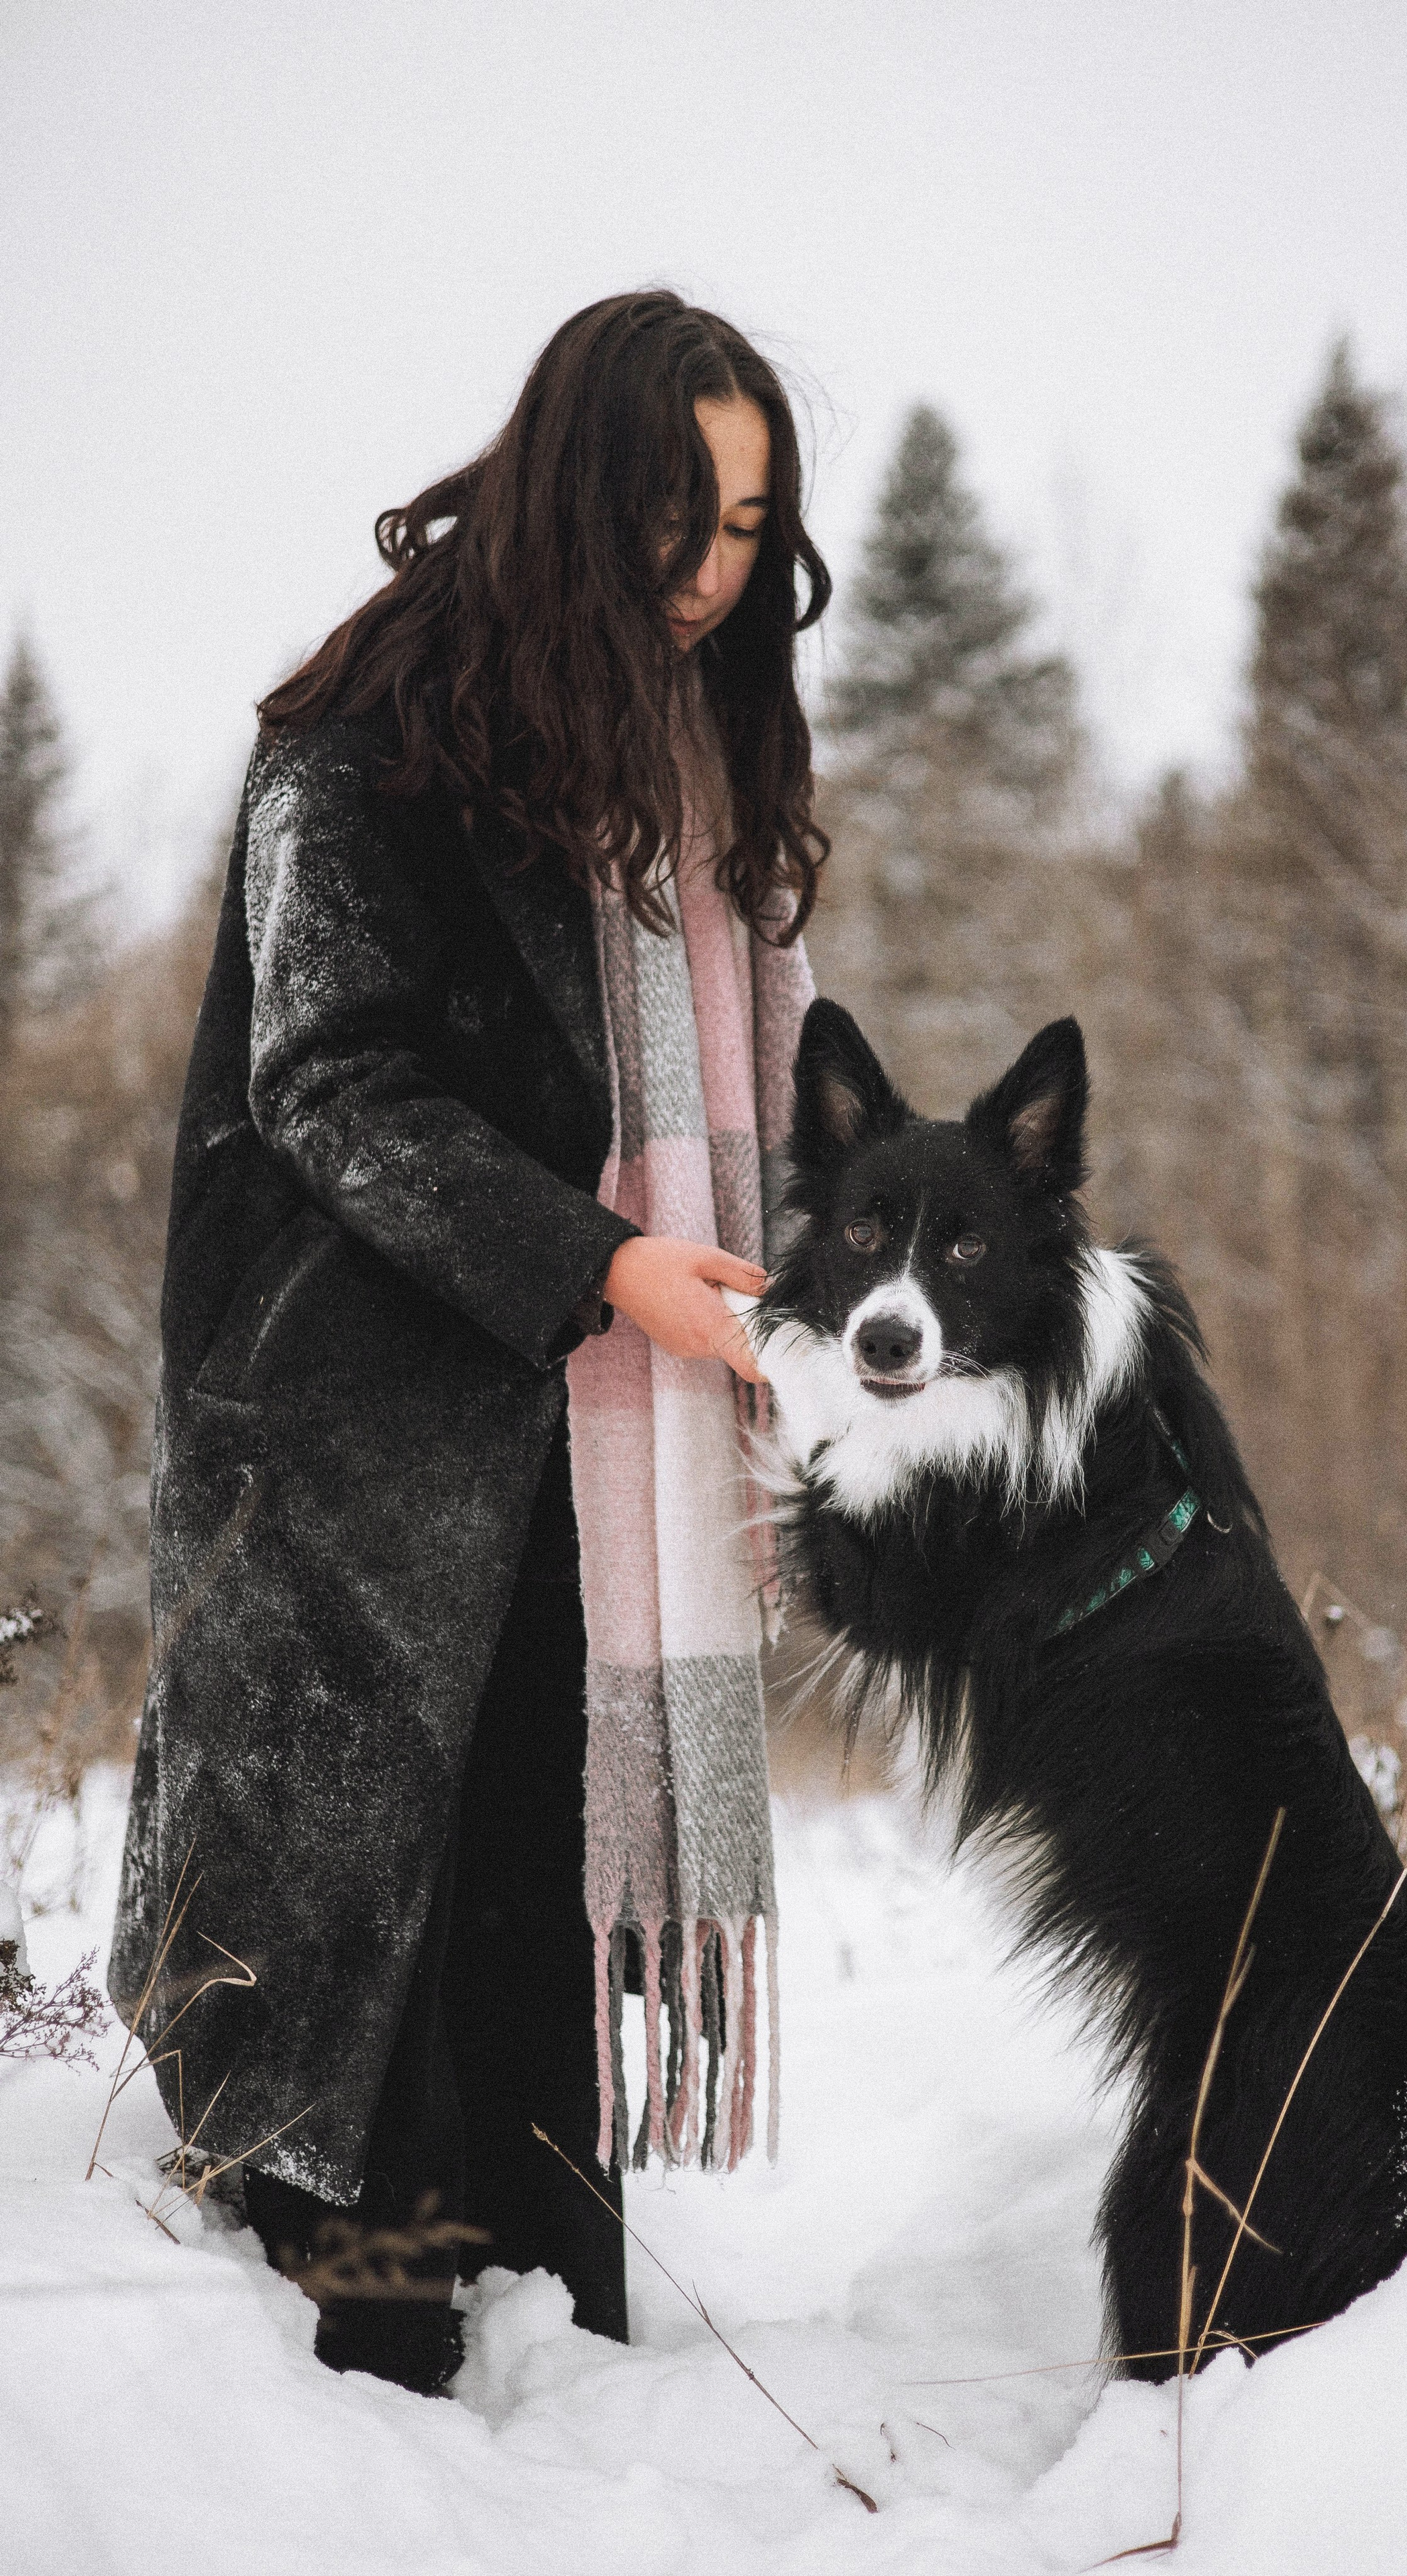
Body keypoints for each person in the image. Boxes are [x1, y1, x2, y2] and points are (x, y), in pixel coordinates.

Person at [108, 291, 830, 2393]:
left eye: (751, 528)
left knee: (530, 1894)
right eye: (677, 518)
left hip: (576, 1433)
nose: (711, 573)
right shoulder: (373, 736)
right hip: (360, 1434)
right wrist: (613, 1266)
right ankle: (347, 2411)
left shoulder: (691, 759)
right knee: (372, 1951)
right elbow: (334, 1081)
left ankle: (542, 2393)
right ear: (577, 495)